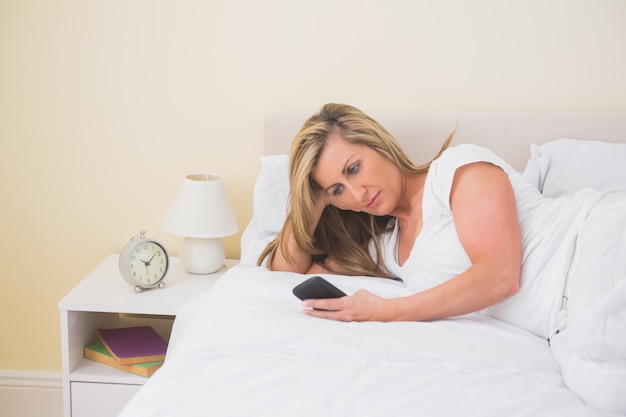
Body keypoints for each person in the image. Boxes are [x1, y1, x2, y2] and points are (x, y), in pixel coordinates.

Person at [257, 103, 607, 339]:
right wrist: (313, 197)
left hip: (595, 246)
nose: (357, 193)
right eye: (338, 189)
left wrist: (382, 311)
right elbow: (285, 269)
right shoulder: (388, 250)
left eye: (353, 168)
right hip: (570, 322)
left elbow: (500, 276)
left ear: (376, 143)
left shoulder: (457, 168)